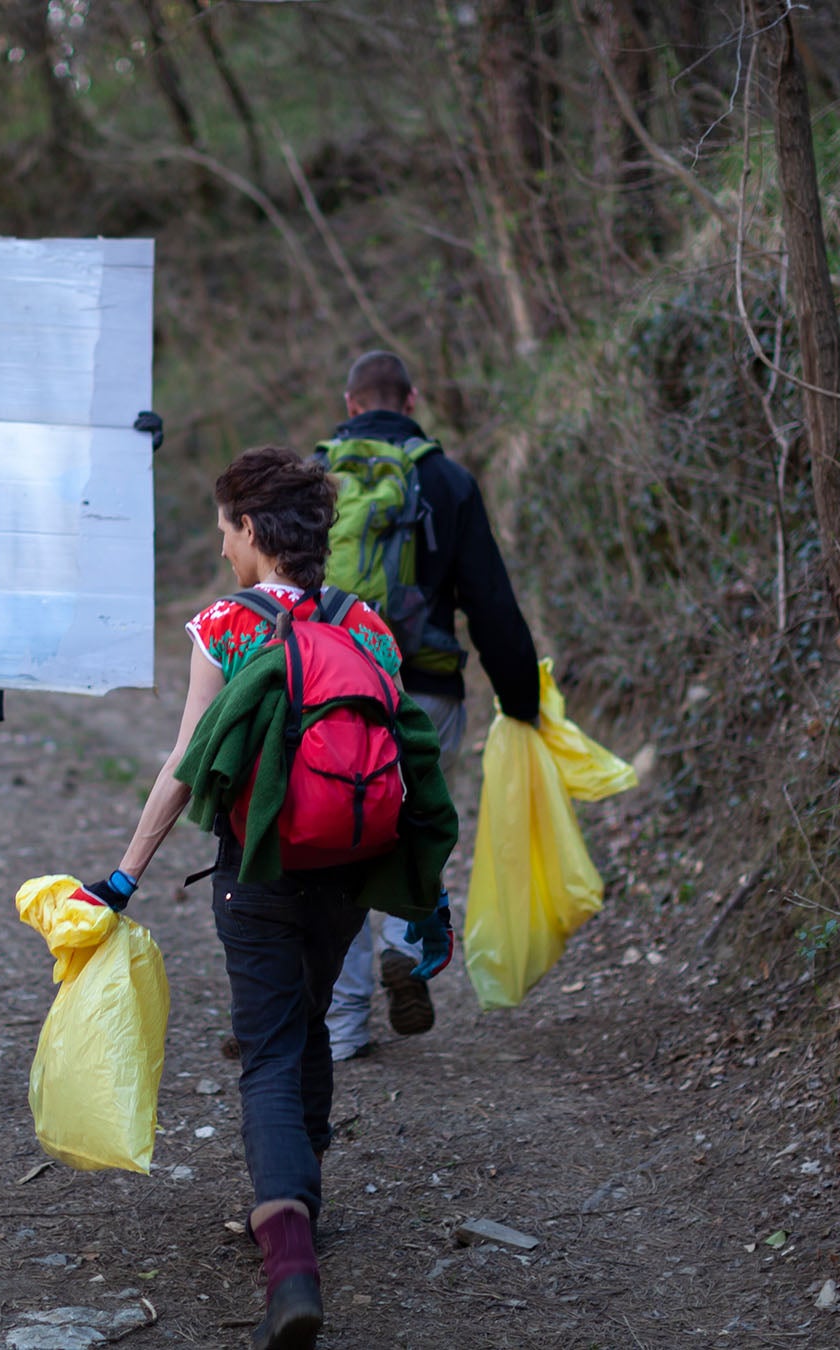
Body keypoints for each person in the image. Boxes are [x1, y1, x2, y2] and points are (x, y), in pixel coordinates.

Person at [91, 446, 455, 1350]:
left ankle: (289, 1259)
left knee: (266, 1047)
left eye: (224, 531)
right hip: (345, 865)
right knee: (311, 1016)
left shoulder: (227, 625)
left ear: (252, 530)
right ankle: (304, 1200)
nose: (221, 550)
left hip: (256, 871)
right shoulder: (366, 626)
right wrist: (423, 893)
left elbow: (183, 763)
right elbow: (404, 757)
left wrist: (127, 874)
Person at [318, 350, 540, 1059]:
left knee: (333, 842)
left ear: (350, 404)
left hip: (326, 692)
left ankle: (344, 1025)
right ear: (412, 399)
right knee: (412, 825)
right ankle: (404, 948)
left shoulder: (311, 480)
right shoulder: (446, 481)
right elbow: (491, 602)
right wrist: (521, 700)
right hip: (426, 692)